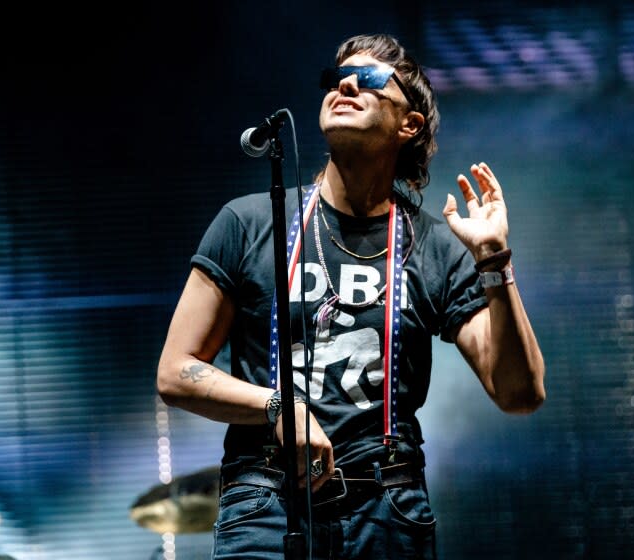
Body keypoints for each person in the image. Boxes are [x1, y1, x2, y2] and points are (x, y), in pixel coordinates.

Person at [157, 33, 545, 559]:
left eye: (369, 80)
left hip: (388, 508)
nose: (344, 84)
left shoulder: (433, 247)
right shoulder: (248, 222)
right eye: (337, 78)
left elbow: (519, 393)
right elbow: (175, 372)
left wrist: (495, 262)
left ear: (409, 125)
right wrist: (278, 406)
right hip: (265, 504)